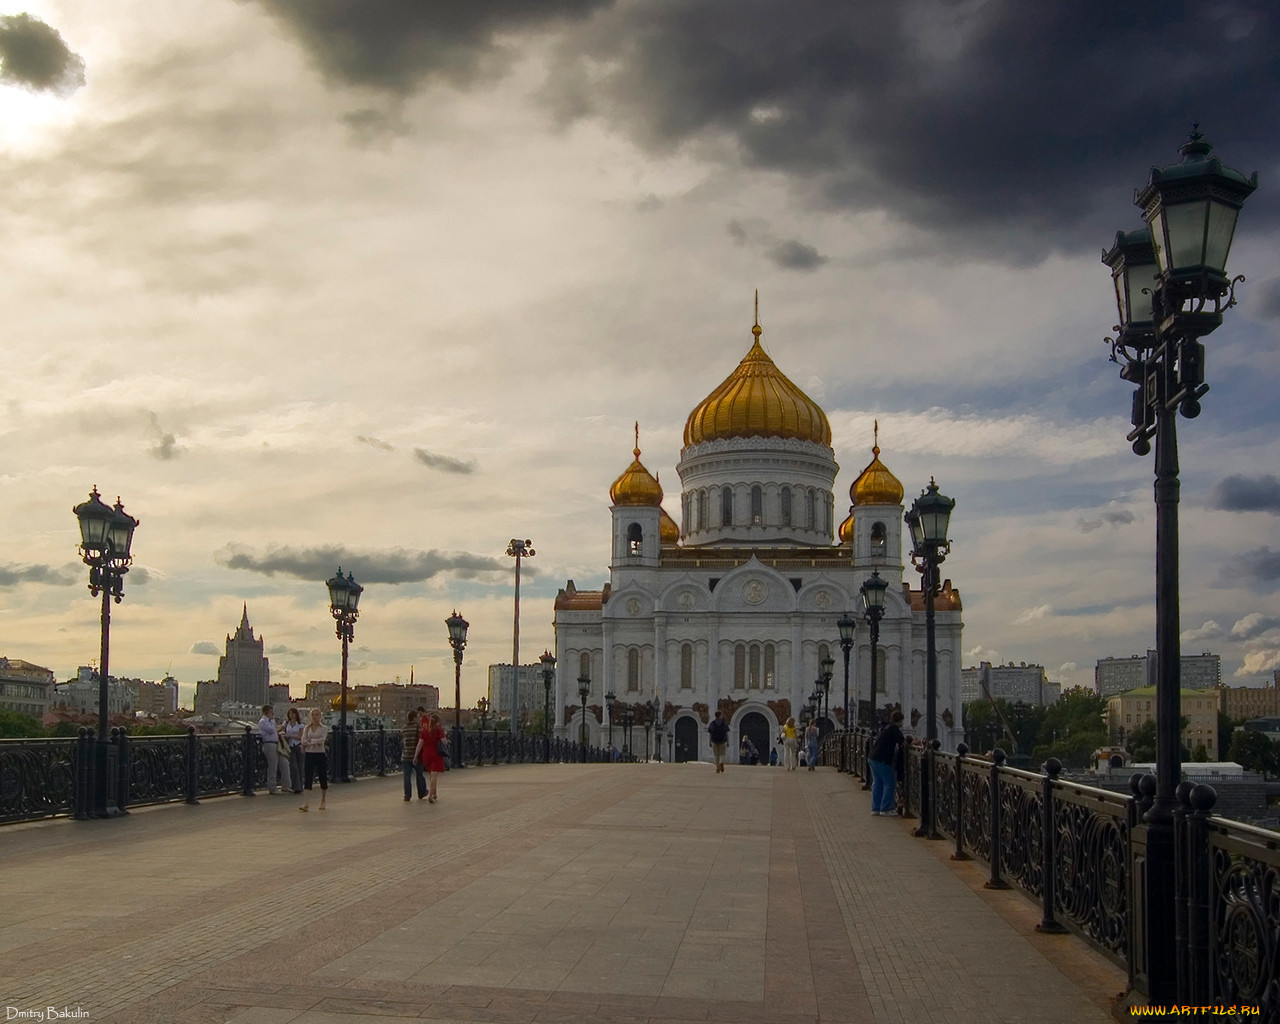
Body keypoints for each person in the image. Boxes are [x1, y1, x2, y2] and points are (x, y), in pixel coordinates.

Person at [868, 710, 906, 816]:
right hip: (881, 760)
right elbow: (903, 742)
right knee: (889, 783)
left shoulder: (886, 727)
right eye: (902, 721)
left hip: (872, 757)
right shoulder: (894, 728)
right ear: (899, 721)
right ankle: (885, 809)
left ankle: (875, 808)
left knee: (877, 783)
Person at [299, 708, 329, 811]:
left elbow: (322, 740)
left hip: (320, 754)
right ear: (310, 717)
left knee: (322, 777)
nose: (315, 717)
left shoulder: (324, 728)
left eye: (317, 715)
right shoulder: (307, 728)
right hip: (309, 754)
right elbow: (303, 741)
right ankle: (306, 803)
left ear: (320, 716)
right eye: (313, 715)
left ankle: (323, 800)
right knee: (308, 777)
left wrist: (310, 741)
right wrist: (313, 742)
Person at [415, 712, 447, 804]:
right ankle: (430, 796)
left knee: (431, 775)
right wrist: (445, 737)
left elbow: (419, 744)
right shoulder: (439, 730)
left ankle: (434, 793)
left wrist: (415, 756)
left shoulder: (424, 732)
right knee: (434, 776)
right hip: (436, 755)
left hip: (426, 755)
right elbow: (444, 741)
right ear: (437, 722)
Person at [258, 704, 290, 794]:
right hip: (269, 745)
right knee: (273, 766)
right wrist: (272, 720)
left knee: (285, 763)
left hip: (276, 744)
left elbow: (275, 730)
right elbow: (271, 730)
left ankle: (286, 785)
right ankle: (272, 788)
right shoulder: (263, 721)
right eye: (271, 712)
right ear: (266, 712)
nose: (273, 713)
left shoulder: (270, 721)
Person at [401, 709, 426, 801]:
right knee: (419, 774)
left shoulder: (404, 728)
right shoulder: (418, 727)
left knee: (406, 776)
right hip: (416, 755)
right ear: (415, 718)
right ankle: (422, 792)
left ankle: (407, 795)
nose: (419, 719)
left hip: (405, 755)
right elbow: (421, 740)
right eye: (418, 717)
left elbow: (402, 741)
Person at [283, 707, 304, 794]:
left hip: (298, 746)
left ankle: (300, 786)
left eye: (293, 713)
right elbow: (279, 730)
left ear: (296, 714)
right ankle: (295, 786)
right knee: (293, 766)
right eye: (290, 713)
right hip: (290, 747)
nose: (291, 715)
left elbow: (300, 737)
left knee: (300, 767)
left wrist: (289, 736)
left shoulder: (300, 725)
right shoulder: (286, 723)